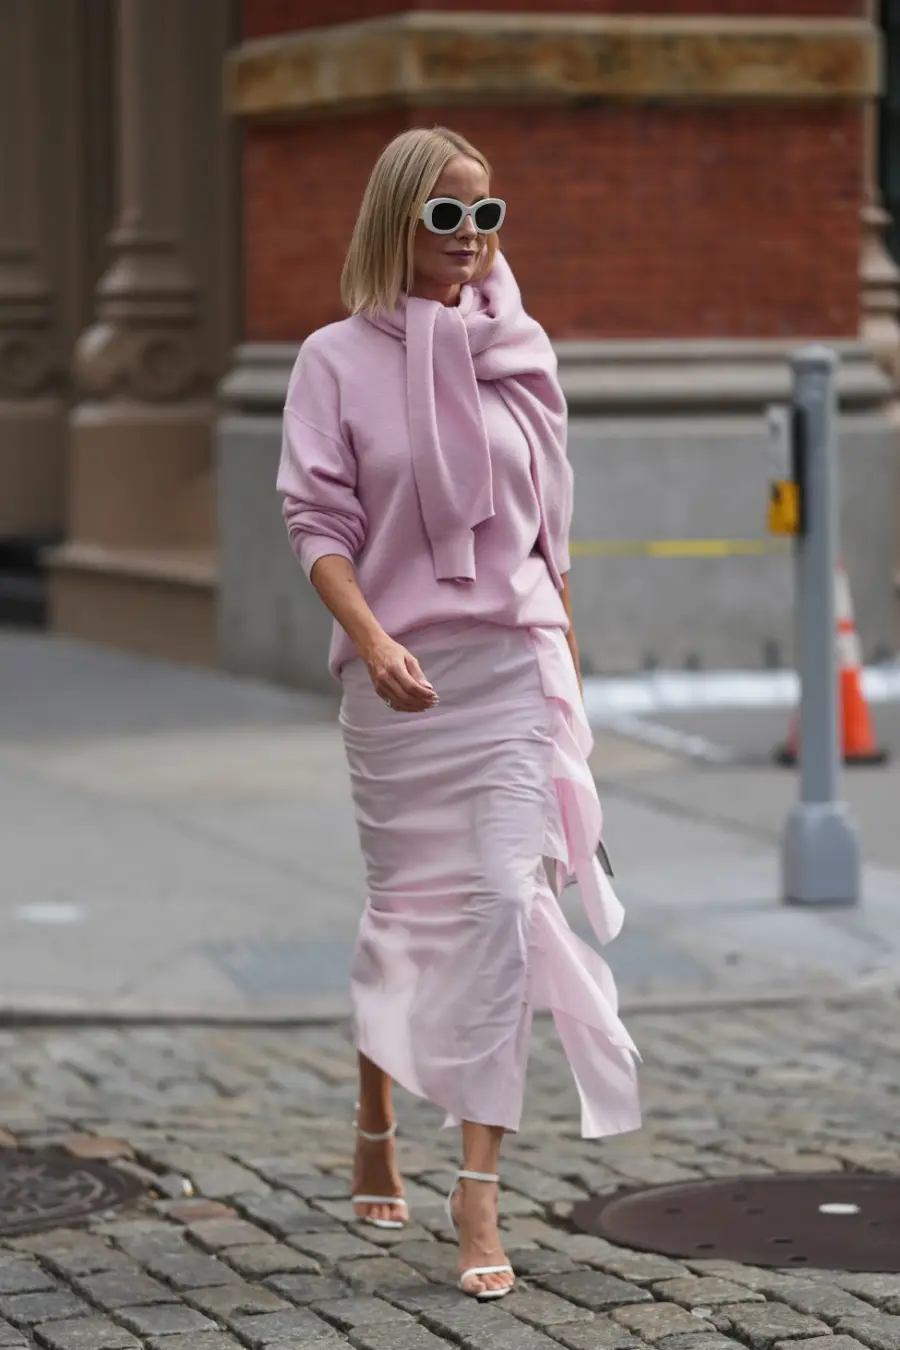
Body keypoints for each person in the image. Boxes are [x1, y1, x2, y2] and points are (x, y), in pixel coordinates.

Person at [277, 125, 641, 1302]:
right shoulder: (332, 359)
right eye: (448, 216)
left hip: (510, 674)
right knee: (409, 914)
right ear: (397, 221)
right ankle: (378, 1098)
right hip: (398, 685)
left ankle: (477, 1189)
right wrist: (374, 640)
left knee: (500, 906)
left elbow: (554, 548)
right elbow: (317, 527)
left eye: (488, 216)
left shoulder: (521, 355)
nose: (473, 240)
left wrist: (573, 706)